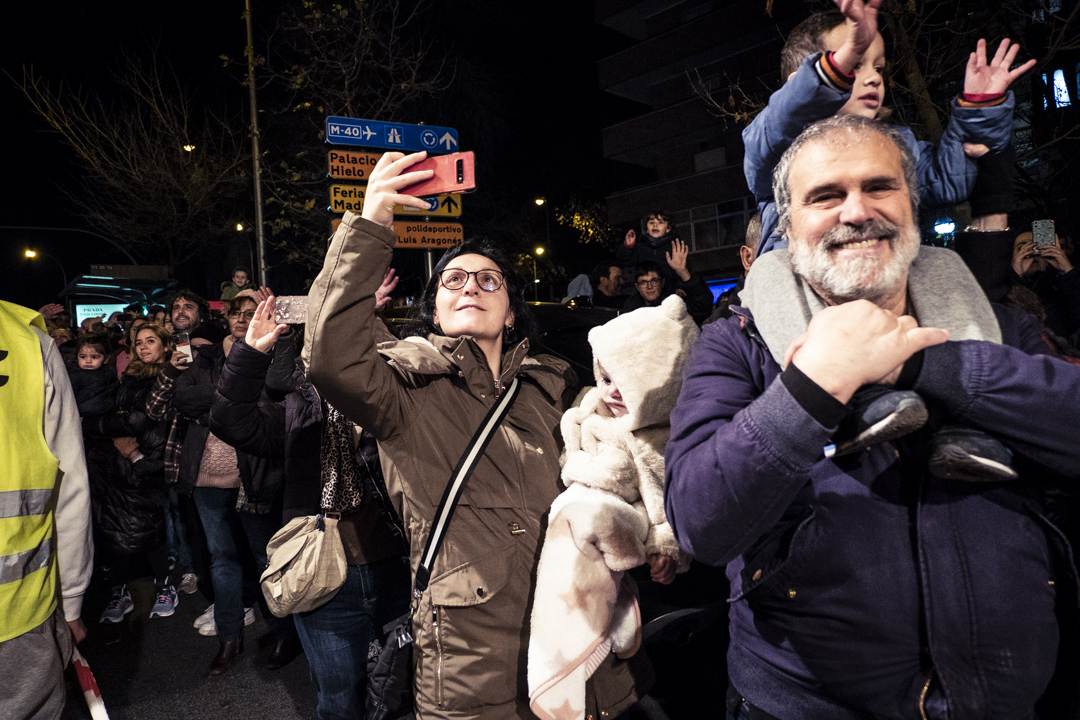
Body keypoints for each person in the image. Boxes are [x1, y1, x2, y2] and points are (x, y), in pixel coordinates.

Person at [666, 114, 1080, 718]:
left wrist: (925, 366)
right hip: (806, 703)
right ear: (789, 225)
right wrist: (813, 387)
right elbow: (700, 521)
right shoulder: (738, 343)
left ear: (912, 204)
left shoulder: (1001, 325)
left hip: (1013, 698)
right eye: (826, 196)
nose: (857, 211)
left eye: (879, 187)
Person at [305, 151, 651, 719]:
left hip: (580, 630)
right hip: (472, 657)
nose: (472, 286)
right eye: (454, 279)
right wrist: (371, 222)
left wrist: (646, 535)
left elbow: (608, 476)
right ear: (435, 309)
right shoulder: (401, 385)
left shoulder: (555, 384)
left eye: (489, 280)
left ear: (511, 310)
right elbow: (327, 355)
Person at [211, 291, 411, 716]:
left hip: (401, 568)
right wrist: (252, 351)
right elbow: (230, 420)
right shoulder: (300, 407)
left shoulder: (399, 396)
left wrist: (364, 313)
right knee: (338, 698)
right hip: (323, 577)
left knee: (408, 688)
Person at [744, 0, 1033, 256]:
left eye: (878, 68)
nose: (873, 78)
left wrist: (980, 107)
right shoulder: (780, 147)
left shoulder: (895, 146)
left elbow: (947, 180)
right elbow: (773, 126)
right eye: (854, 65)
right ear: (800, 83)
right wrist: (833, 71)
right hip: (800, 298)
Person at [528, 296, 694, 719]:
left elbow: (663, 504)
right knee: (574, 520)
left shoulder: (663, 436)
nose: (611, 391)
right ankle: (616, 608)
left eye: (627, 380)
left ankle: (555, 668)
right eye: (604, 378)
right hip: (602, 515)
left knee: (579, 516)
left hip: (625, 518)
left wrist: (666, 549)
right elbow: (573, 452)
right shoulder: (591, 408)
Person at [173, 294, 298, 674]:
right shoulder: (206, 358)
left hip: (253, 476)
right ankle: (230, 637)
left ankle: (283, 634)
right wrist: (234, 393)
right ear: (226, 318)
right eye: (237, 314)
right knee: (222, 560)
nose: (244, 319)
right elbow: (183, 397)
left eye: (252, 313)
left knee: (266, 559)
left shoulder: (272, 355)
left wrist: (222, 400)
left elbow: (275, 396)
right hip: (208, 478)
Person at [0, 300, 93, 719]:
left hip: (20, 617)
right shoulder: (23, 340)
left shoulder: (30, 340)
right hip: (20, 613)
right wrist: (71, 601)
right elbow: (69, 484)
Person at [84, 324, 179, 624]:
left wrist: (90, 425)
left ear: (165, 345)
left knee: (147, 526)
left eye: (151, 341)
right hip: (118, 462)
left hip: (147, 458)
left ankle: (165, 585)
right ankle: (120, 590)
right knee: (113, 525)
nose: (144, 347)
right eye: (139, 343)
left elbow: (138, 420)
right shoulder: (129, 376)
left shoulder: (169, 375)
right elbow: (120, 415)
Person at [1011, 229, 1080, 340]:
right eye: (1022, 249)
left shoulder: (1060, 291)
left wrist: (1067, 272)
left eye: (1038, 248)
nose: (1032, 253)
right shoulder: (999, 288)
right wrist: (1014, 276)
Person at [68, 333, 117, 416]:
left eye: (94, 357)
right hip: (80, 416)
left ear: (106, 359)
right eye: (83, 357)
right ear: (77, 357)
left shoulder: (109, 374)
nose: (88, 361)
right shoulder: (74, 375)